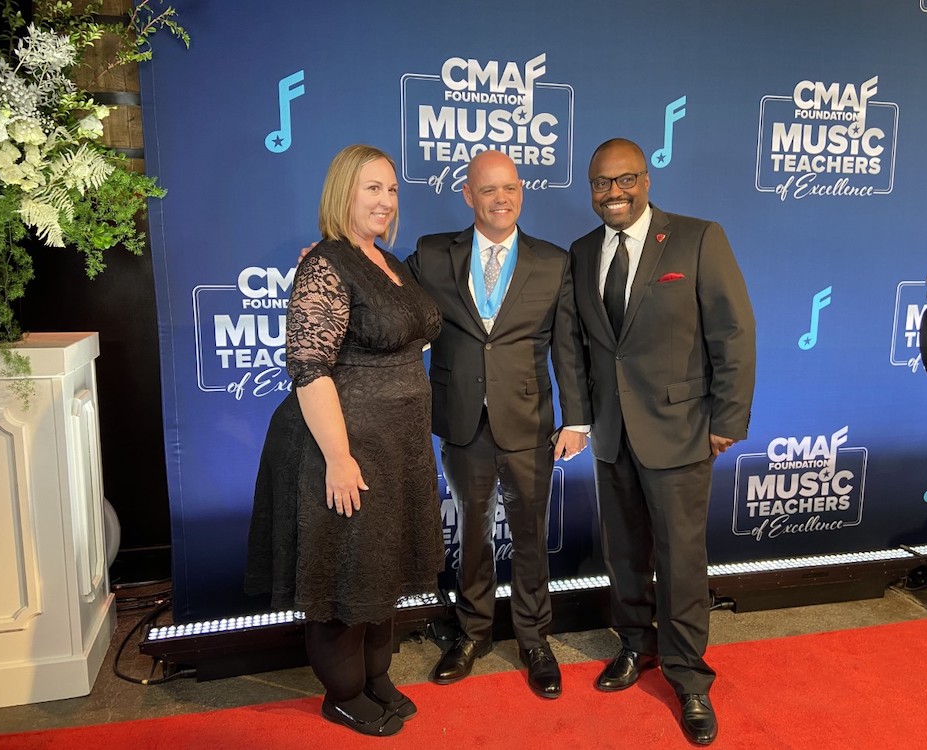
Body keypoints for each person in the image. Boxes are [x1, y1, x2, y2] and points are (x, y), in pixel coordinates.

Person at [244, 144, 444, 738]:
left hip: (397, 449)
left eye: (392, 189)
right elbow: (309, 369)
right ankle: (344, 694)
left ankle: (375, 678)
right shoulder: (325, 264)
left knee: (379, 568)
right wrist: (337, 457)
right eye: (371, 188)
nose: (386, 200)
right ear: (342, 194)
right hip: (344, 446)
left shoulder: (389, 262)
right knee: (345, 575)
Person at [569, 138, 756, 745]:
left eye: (625, 179)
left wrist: (728, 417)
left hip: (681, 428)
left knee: (680, 560)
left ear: (646, 181)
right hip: (612, 431)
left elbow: (733, 330)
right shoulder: (581, 252)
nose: (614, 192)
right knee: (624, 552)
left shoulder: (698, 238)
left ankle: (689, 676)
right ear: (591, 189)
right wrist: (581, 420)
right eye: (601, 183)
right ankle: (635, 644)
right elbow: (578, 346)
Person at [406, 149, 592, 698]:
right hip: (462, 419)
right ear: (469, 195)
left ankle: (535, 640)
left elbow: (567, 348)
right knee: (472, 529)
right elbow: (383, 282)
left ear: (521, 192)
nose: (501, 199)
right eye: (488, 189)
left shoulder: (553, 262)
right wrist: (336, 257)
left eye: (509, 187)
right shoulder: (433, 254)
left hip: (530, 421)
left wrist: (578, 420)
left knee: (530, 533)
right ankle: (473, 634)